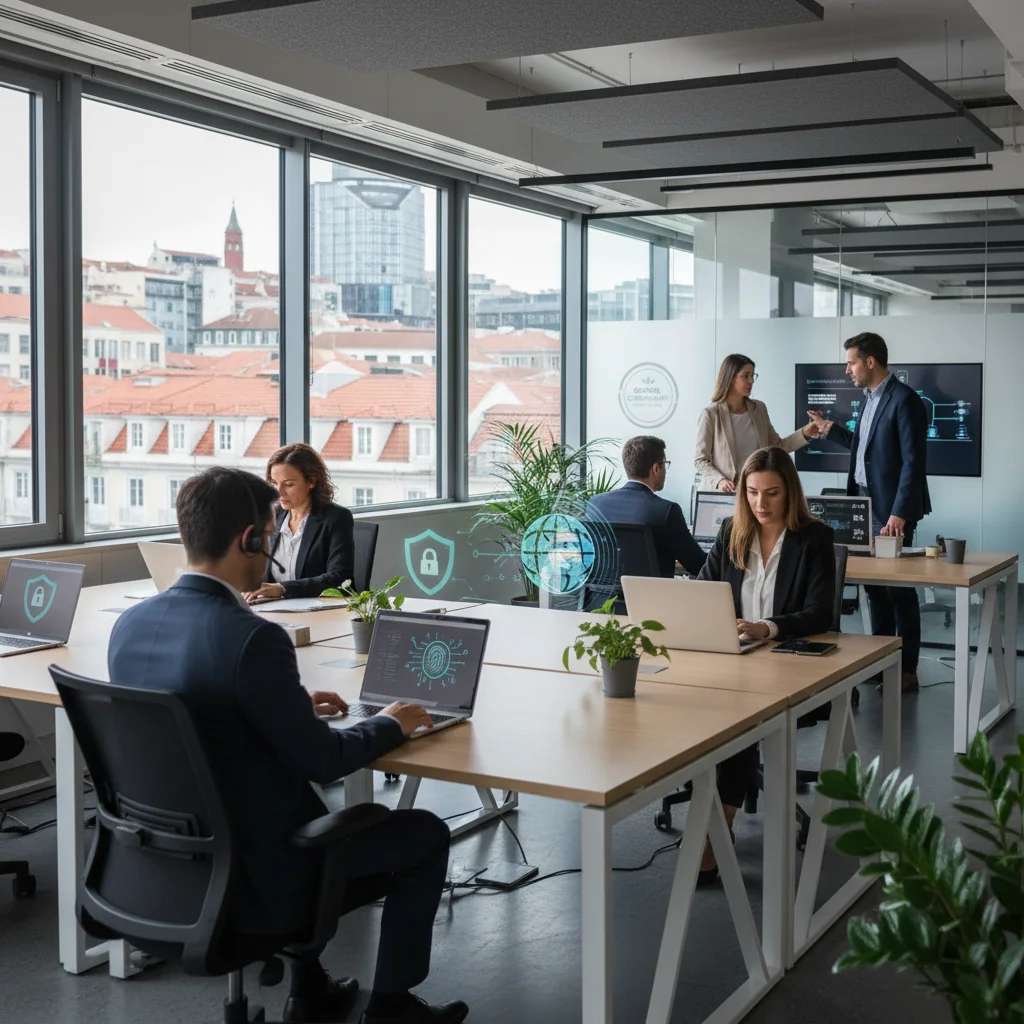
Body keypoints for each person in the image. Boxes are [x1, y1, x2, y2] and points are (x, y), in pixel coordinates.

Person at [108, 467, 468, 1024]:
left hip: (166, 860)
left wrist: (287, 703)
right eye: (271, 532)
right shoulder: (252, 637)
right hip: (258, 868)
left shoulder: (129, 626)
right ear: (251, 539)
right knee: (422, 834)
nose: (273, 543)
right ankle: (392, 1008)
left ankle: (312, 984)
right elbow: (325, 760)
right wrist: (391, 723)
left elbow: (206, 714)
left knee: (295, 806)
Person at [697, 446, 835, 882]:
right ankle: (712, 821)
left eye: (771, 493)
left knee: (741, 723)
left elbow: (819, 614)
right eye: (753, 493)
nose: (760, 503)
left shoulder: (814, 537)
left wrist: (767, 627)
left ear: (789, 493)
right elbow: (704, 589)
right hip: (732, 660)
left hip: (787, 666)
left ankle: (714, 833)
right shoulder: (730, 532)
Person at [808, 332, 930, 693]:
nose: (847, 370)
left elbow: (913, 463)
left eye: (851, 362)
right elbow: (866, 447)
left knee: (900, 591)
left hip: (891, 511)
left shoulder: (905, 401)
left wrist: (899, 515)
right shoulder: (871, 399)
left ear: (871, 361)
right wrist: (831, 430)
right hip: (862, 505)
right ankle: (881, 664)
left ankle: (906, 671)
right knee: (875, 591)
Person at [244, 443, 354, 604]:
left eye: (288, 484)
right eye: (274, 483)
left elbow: (340, 579)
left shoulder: (336, 518)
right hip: (272, 609)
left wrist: (283, 588)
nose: (278, 491)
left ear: (311, 481)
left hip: (318, 611)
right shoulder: (270, 517)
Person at [695, 353, 822, 493]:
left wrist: (805, 433)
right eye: (745, 376)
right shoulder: (711, 414)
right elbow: (701, 460)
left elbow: (777, 447)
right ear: (730, 378)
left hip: (755, 492)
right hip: (722, 495)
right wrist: (719, 480)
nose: (751, 381)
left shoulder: (759, 409)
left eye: (752, 376)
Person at [587, 434, 706, 578]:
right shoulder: (666, 511)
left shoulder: (595, 504)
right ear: (656, 469)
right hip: (650, 599)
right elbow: (698, 564)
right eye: (665, 464)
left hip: (602, 598)